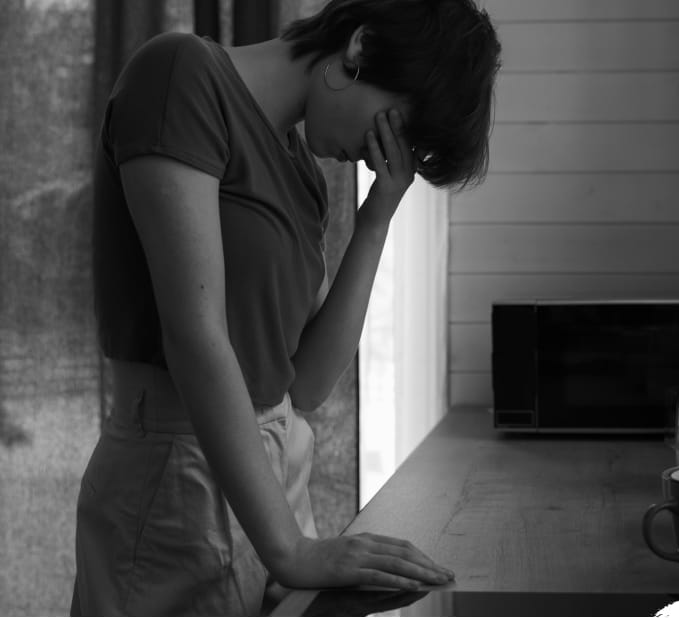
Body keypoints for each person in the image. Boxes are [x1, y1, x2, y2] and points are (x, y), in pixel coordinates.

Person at [72, 0, 501, 614]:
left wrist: (378, 214)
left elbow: (308, 382)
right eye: (400, 126)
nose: (387, 150)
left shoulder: (299, 169)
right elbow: (195, 334)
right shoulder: (179, 76)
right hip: (175, 478)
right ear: (359, 49)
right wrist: (291, 550)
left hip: (273, 487)